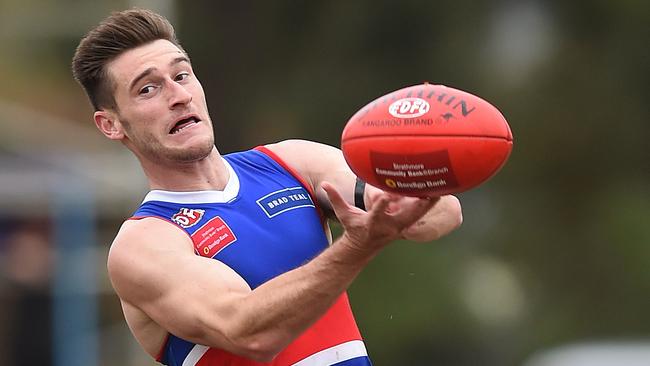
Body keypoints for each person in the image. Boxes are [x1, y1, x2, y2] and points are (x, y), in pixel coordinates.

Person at [72, 8, 462, 366]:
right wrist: (359, 245)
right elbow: (249, 332)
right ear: (111, 124)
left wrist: (405, 200)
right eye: (148, 89)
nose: (178, 95)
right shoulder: (144, 245)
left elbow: (443, 214)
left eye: (181, 74)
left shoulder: (292, 163)